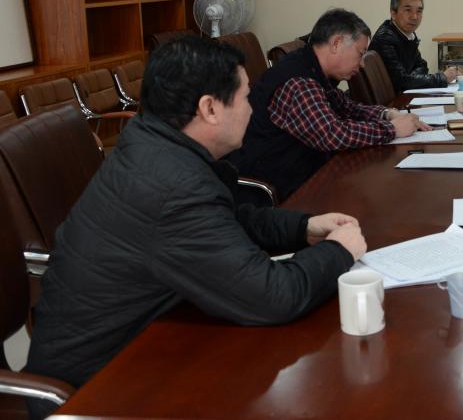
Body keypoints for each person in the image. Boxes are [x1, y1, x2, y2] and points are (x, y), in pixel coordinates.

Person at [25, 36, 368, 399]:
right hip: (98, 387)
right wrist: (338, 251)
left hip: (149, 341)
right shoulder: (171, 187)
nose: (252, 108)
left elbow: (225, 221)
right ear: (210, 108)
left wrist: (303, 228)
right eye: (245, 97)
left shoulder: (154, 143)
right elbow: (273, 296)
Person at [231, 8, 429, 200]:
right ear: (336, 43)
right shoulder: (298, 82)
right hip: (280, 189)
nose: (362, 63)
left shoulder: (313, 68)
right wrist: (392, 129)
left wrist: (387, 113)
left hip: (307, 172)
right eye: (360, 53)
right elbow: (332, 135)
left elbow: (348, 107)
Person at [369, 0, 459, 91]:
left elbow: (422, 66)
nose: (414, 17)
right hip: (390, 100)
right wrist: (442, 78)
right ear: (393, 14)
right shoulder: (385, 38)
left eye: (419, 11)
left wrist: (410, 78)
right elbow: (402, 82)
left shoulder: (407, 34)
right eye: (408, 10)